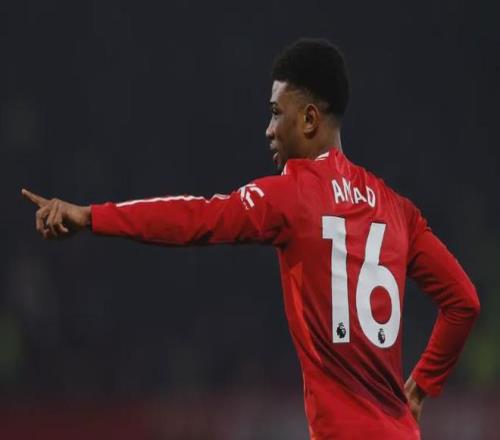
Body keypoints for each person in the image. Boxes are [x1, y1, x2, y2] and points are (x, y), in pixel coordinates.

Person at [21, 39, 480, 439]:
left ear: (309, 118)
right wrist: (420, 386)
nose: (268, 129)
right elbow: (464, 302)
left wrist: (92, 216)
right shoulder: (397, 208)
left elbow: (196, 218)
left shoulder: (291, 196)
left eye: (276, 113)